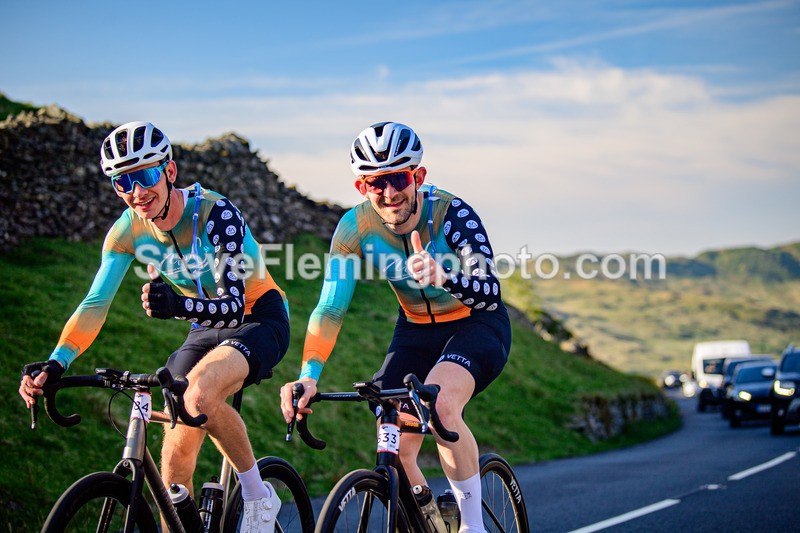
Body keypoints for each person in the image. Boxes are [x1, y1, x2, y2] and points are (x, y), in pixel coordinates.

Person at [19, 121, 287, 533]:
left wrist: (177, 305)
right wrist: (57, 362)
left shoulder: (216, 213)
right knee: (174, 449)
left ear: (169, 171)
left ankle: (258, 495)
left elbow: (233, 308)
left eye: (144, 176)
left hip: (258, 316)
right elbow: (95, 303)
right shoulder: (127, 231)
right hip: (203, 326)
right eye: (122, 182)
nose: (136, 192)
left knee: (199, 393)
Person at [280, 121, 511, 532]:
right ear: (361, 187)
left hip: (476, 323)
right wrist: (308, 376)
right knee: (393, 433)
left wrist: (445, 277)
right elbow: (330, 308)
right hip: (416, 329)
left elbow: (489, 291)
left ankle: (473, 525)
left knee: (439, 406)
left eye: (399, 179)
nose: (389, 193)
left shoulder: (452, 213)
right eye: (375, 183)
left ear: (418, 176)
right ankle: (430, 519)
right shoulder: (354, 228)